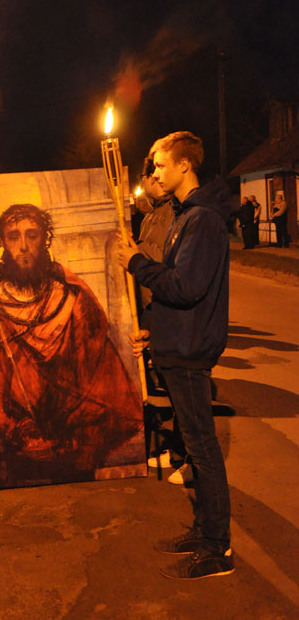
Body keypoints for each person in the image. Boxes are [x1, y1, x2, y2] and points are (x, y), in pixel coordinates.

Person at [0, 203, 143, 486]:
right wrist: (18, 432)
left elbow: (97, 377)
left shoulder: (73, 299)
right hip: (11, 454)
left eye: (32, 235)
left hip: (72, 451)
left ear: (45, 239)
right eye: (13, 236)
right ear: (2, 242)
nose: (23, 246)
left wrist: (78, 436)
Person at [117, 131, 234, 580]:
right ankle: (204, 532)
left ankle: (218, 549)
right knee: (197, 450)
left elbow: (185, 287)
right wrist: (154, 331)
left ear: (185, 165)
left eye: (161, 165)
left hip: (189, 353)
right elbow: (179, 295)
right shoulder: (185, 215)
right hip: (177, 345)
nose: (155, 173)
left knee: (203, 451)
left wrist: (137, 263)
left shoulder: (202, 220)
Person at [135, 156, 188, 485]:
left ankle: (190, 458)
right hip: (152, 306)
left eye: (155, 173)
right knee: (168, 384)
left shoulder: (174, 213)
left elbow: (163, 259)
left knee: (182, 392)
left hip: (166, 305)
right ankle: (179, 449)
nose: (152, 180)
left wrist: (134, 253)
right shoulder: (153, 212)